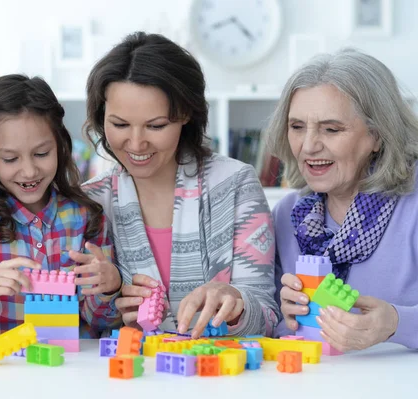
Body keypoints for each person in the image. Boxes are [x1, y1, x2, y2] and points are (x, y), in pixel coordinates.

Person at [81, 32, 280, 339]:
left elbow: (266, 314)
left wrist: (236, 304)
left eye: (156, 125)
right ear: (100, 116)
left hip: (219, 377)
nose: (136, 142)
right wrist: (112, 300)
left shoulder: (235, 184)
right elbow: (87, 325)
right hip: (130, 377)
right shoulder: (91, 201)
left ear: (185, 114)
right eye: (119, 124)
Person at [0, 74, 122, 339]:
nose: (29, 171)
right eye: (10, 159)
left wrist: (109, 287)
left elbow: (102, 322)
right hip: (3, 371)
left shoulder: (86, 217)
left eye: (42, 154)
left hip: (69, 370)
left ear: (61, 147)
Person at [268, 48, 418, 351]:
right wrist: (285, 318)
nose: (309, 146)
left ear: (377, 136)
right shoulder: (288, 214)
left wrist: (395, 322)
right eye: (297, 127)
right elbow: (270, 326)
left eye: (331, 129)